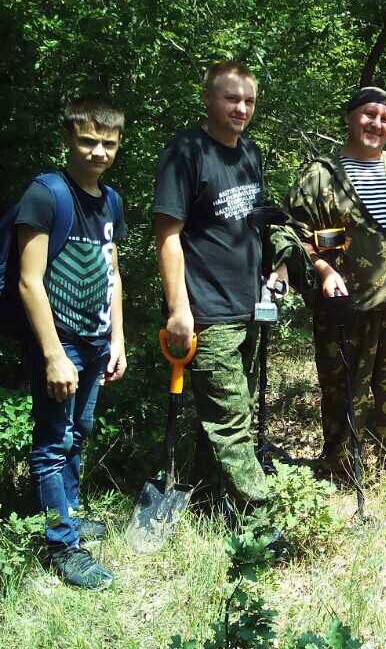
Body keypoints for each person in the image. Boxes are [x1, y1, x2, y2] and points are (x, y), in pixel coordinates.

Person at [278, 86, 386, 476]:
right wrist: (324, 270)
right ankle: (342, 467)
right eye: (369, 115)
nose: (377, 124)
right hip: (345, 304)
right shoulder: (320, 177)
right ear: (349, 119)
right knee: (344, 389)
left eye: (385, 119)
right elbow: (294, 234)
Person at [153, 60, 284, 526]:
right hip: (205, 312)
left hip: (246, 306)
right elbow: (167, 235)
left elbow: (251, 224)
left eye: (248, 100)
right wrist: (179, 309)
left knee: (224, 412)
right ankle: (260, 524)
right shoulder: (186, 152)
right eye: (231, 98)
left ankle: (208, 500)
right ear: (208, 98)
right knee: (232, 422)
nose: (241, 108)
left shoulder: (249, 152)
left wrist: (274, 271)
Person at [16, 99, 127, 590]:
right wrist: (53, 354)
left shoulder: (112, 201)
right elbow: (28, 282)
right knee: (53, 442)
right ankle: (61, 544)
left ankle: (70, 515)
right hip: (60, 344)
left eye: (108, 142)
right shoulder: (46, 194)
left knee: (78, 432)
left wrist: (117, 338)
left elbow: (113, 272)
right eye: (88, 140)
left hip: (97, 340)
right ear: (68, 139)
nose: (98, 151)